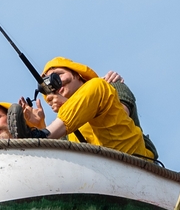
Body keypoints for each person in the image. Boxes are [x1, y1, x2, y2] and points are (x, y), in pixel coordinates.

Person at [16, 58, 155, 160]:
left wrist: (67, 104)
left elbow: (121, 115)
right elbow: (57, 157)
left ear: (77, 75)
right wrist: (39, 125)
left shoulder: (109, 86)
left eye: (58, 75)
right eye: (48, 85)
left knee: (97, 86)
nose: (56, 84)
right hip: (94, 168)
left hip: (130, 154)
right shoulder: (63, 128)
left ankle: (41, 136)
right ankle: (38, 137)